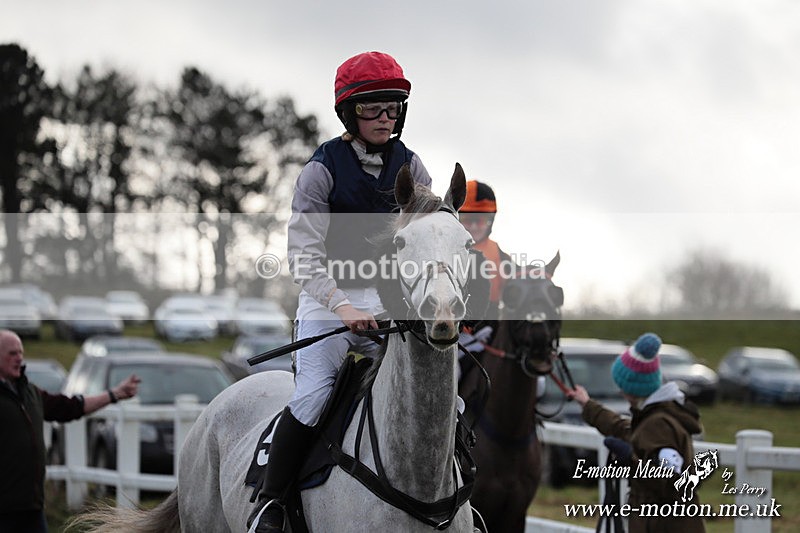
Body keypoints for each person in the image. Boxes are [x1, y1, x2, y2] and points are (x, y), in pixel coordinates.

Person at [248, 51, 432, 533]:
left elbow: (427, 243)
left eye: (392, 107)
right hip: (327, 300)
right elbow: (303, 256)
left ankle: (454, 499)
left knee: (438, 395)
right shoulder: (320, 170)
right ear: (349, 112)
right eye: (373, 108)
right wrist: (343, 305)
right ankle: (271, 501)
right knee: (312, 395)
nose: (385, 118)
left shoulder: (413, 168)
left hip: (389, 303)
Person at [0, 329, 140, 533]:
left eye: (20, 352)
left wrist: (114, 394)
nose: (19, 358)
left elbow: (71, 407)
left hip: (32, 508)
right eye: (12, 353)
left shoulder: (30, 393)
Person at [566, 333, 706, 533]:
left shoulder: (659, 424)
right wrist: (587, 404)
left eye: (621, 385)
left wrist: (630, 460)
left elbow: (671, 484)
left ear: (632, 388)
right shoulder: (654, 417)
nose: (620, 390)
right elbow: (623, 429)